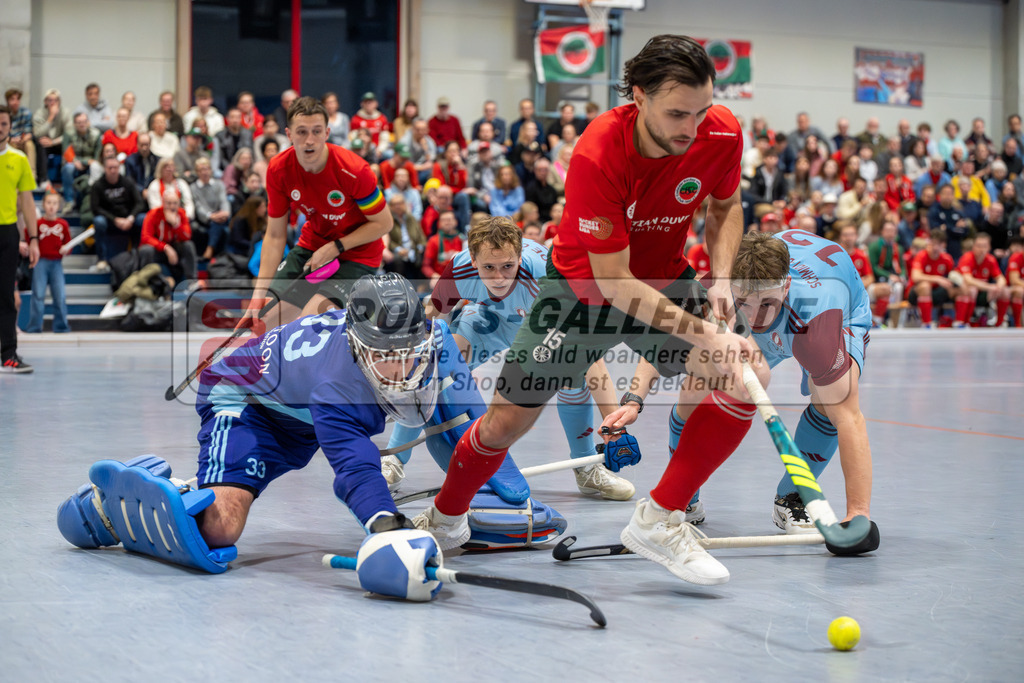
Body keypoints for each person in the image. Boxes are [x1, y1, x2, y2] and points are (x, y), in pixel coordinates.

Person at [410, 35, 762, 585]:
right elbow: (614, 284)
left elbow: (726, 206)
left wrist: (720, 275)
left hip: (665, 278)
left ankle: (659, 517)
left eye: (700, 111)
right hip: (582, 291)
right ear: (638, 96)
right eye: (676, 113)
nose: (690, 128)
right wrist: (703, 332)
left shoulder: (720, 130)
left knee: (743, 373)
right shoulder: (600, 151)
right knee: (505, 422)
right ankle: (448, 517)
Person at [56, 274, 473, 584]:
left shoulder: (420, 334)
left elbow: (459, 398)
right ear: (359, 345)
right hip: (245, 400)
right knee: (220, 529)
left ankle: (189, 491)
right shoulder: (336, 383)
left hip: (297, 410)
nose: (400, 367)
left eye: (408, 351)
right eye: (385, 354)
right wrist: (385, 525)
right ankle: (101, 508)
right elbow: (354, 470)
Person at [384, 216, 634, 500]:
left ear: (519, 256)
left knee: (573, 376)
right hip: (487, 320)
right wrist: (409, 372)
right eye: (488, 267)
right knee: (432, 370)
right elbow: (429, 333)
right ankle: (394, 459)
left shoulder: (546, 276)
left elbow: (591, 358)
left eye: (507, 266)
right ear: (474, 260)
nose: (499, 277)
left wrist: (615, 428)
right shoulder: (458, 270)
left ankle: (588, 467)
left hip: (538, 325)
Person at [725, 230, 876, 542]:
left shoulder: (816, 324)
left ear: (787, 285)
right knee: (713, 389)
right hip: (778, 304)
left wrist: (858, 515)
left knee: (831, 403)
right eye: (744, 303)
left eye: (765, 303)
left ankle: (791, 498)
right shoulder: (719, 285)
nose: (754, 317)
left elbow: (850, 418)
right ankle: (685, 499)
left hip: (829, 317)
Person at [240, 96, 391, 327]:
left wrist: (336, 247)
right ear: (288, 134)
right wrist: (258, 295)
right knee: (263, 324)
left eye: (316, 131)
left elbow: (384, 224)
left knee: (307, 326)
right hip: (312, 246)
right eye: (301, 132)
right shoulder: (278, 169)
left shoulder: (354, 170)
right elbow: (275, 235)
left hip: (358, 254)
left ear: (327, 133)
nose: (309, 140)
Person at [0, 105, 39, 371]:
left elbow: (26, 202)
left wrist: (34, 238)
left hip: (7, 232)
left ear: (9, 127)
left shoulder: (19, 159)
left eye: (3, 123)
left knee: (5, 295)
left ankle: (8, 354)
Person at [26, 192, 71, 333]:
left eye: (55, 203)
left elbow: (68, 244)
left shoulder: (63, 224)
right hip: (41, 262)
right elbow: (29, 237)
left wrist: (66, 250)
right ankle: (34, 327)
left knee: (60, 295)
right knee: (38, 295)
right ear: (44, 204)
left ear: (59, 206)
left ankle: (61, 326)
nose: (51, 206)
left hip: (56, 263)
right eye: (48, 203)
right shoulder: (37, 224)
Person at [90, 155, 147, 266]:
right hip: (109, 220)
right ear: (105, 169)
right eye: (110, 168)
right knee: (98, 221)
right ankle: (102, 258)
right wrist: (114, 219)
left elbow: (139, 203)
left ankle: (138, 254)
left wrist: (131, 218)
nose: (113, 170)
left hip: (128, 219)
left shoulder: (128, 182)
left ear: (119, 168)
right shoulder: (97, 185)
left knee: (143, 219)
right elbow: (95, 208)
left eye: (115, 167)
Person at [140, 189, 197, 283]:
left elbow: (187, 236)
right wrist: (165, 247)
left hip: (175, 248)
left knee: (188, 245)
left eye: (175, 203)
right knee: (146, 250)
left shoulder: (181, 213)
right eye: (168, 203)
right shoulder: (153, 214)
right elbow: (145, 237)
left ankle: (192, 282)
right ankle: (147, 282)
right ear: (163, 203)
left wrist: (176, 225)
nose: (172, 207)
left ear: (179, 204)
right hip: (159, 250)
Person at [956, 232, 1009, 327]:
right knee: (972, 289)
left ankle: (999, 323)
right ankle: (964, 322)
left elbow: (1001, 278)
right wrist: (989, 287)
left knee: (1005, 291)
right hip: (965, 292)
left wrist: (999, 287)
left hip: (983, 293)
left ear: (989, 247)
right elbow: (968, 280)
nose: (981, 249)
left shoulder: (991, 259)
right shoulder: (967, 258)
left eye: (984, 246)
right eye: (979, 246)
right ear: (973, 247)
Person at [909, 229, 959, 328]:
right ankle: (927, 323)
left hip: (937, 293)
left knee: (962, 289)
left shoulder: (947, 258)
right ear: (929, 242)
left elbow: (954, 276)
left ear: (943, 245)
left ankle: (961, 322)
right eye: (933, 243)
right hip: (916, 292)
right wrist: (937, 279)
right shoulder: (921, 255)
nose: (935, 247)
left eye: (938, 244)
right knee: (925, 286)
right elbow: (915, 277)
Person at [866, 220, 905, 327]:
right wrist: (888, 276)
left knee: (898, 287)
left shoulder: (898, 248)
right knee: (886, 288)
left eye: (892, 231)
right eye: (887, 230)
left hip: (893, 277)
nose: (890, 233)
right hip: (878, 278)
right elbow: (873, 267)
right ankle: (878, 319)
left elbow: (901, 267)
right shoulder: (875, 246)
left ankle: (893, 319)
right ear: (882, 232)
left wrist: (902, 276)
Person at [191, 157, 231, 258]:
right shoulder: (193, 187)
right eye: (201, 170)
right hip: (204, 219)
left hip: (219, 216)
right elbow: (198, 207)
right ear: (197, 172)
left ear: (211, 170)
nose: (205, 172)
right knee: (216, 222)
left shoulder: (219, 184)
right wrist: (210, 216)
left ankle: (210, 249)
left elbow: (223, 201)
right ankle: (212, 250)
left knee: (220, 221)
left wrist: (225, 212)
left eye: (207, 169)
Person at [381, 194, 426, 281]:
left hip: (413, 248)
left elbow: (420, 236)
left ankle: (421, 286)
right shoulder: (388, 220)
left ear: (405, 204)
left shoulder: (411, 218)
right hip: (397, 250)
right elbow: (387, 240)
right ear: (390, 206)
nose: (398, 206)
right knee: (397, 260)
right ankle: (400, 285)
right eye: (395, 204)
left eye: (400, 203)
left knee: (425, 254)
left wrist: (420, 246)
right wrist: (398, 249)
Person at [32, 89, 72, 186]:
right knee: (39, 142)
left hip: (59, 142)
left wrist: (53, 142)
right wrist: (50, 118)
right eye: (50, 100)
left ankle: (66, 177)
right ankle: (43, 179)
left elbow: (69, 133)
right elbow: (37, 133)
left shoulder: (65, 112)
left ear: (59, 101)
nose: (53, 103)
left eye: (56, 100)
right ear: (45, 102)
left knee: (69, 142)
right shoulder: (39, 113)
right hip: (45, 144)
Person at [421, 209, 462, 286]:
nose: (447, 222)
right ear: (439, 223)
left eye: (449, 220)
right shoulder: (433, 241)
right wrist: (433, 275)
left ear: (456, 222)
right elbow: (426, 266)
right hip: (440, 280)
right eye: (443, 220)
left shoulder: (463, 240)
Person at [5, 89, 37, 184]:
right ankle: (12, 176)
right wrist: (11, 139)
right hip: (9, 141)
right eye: (12, 99)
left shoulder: (26, 112)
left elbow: (29, 132)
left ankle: (32, 176)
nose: (16, 102)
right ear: (7, 101)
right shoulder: (4, 114)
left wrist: (23, 139)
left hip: (22, 140)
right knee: (9, 146)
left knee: (30, 145)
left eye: (18, 99)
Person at [212, 108, 253, 177]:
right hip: (225, 170)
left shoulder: (248, 134)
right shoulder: (220, 136)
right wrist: (231, 169)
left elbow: (251, 154)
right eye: (232, 117)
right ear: (227, 119)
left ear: (241, 119)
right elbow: (220, 157)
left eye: (238, 117)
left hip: (245, 169)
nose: (235, 120)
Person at [1005, 236, 1024, 326]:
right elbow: (1014, 280)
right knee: (1019, 290)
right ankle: (1018, 324)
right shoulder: (1016, 257)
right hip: (1010, 288)